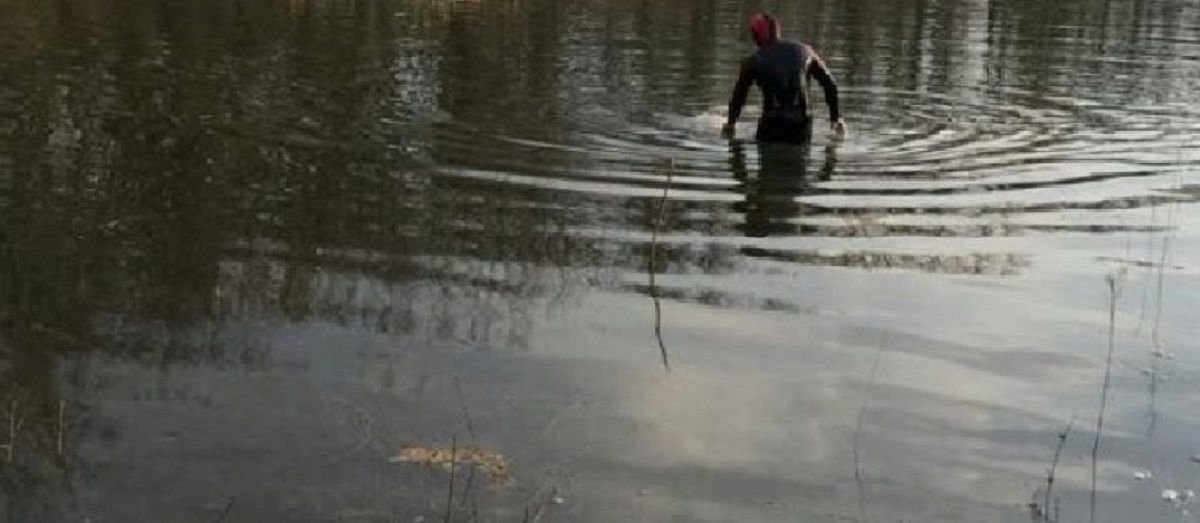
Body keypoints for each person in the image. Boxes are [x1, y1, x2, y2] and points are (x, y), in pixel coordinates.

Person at [722, 12, 847, 143]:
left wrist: (731, 124)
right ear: (777, 31)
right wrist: (835, 118)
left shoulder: (753, 60)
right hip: (801, 125)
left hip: (771, 125)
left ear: (756, 37)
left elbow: (739, 96)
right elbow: (830, 84)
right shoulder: (806, 52)